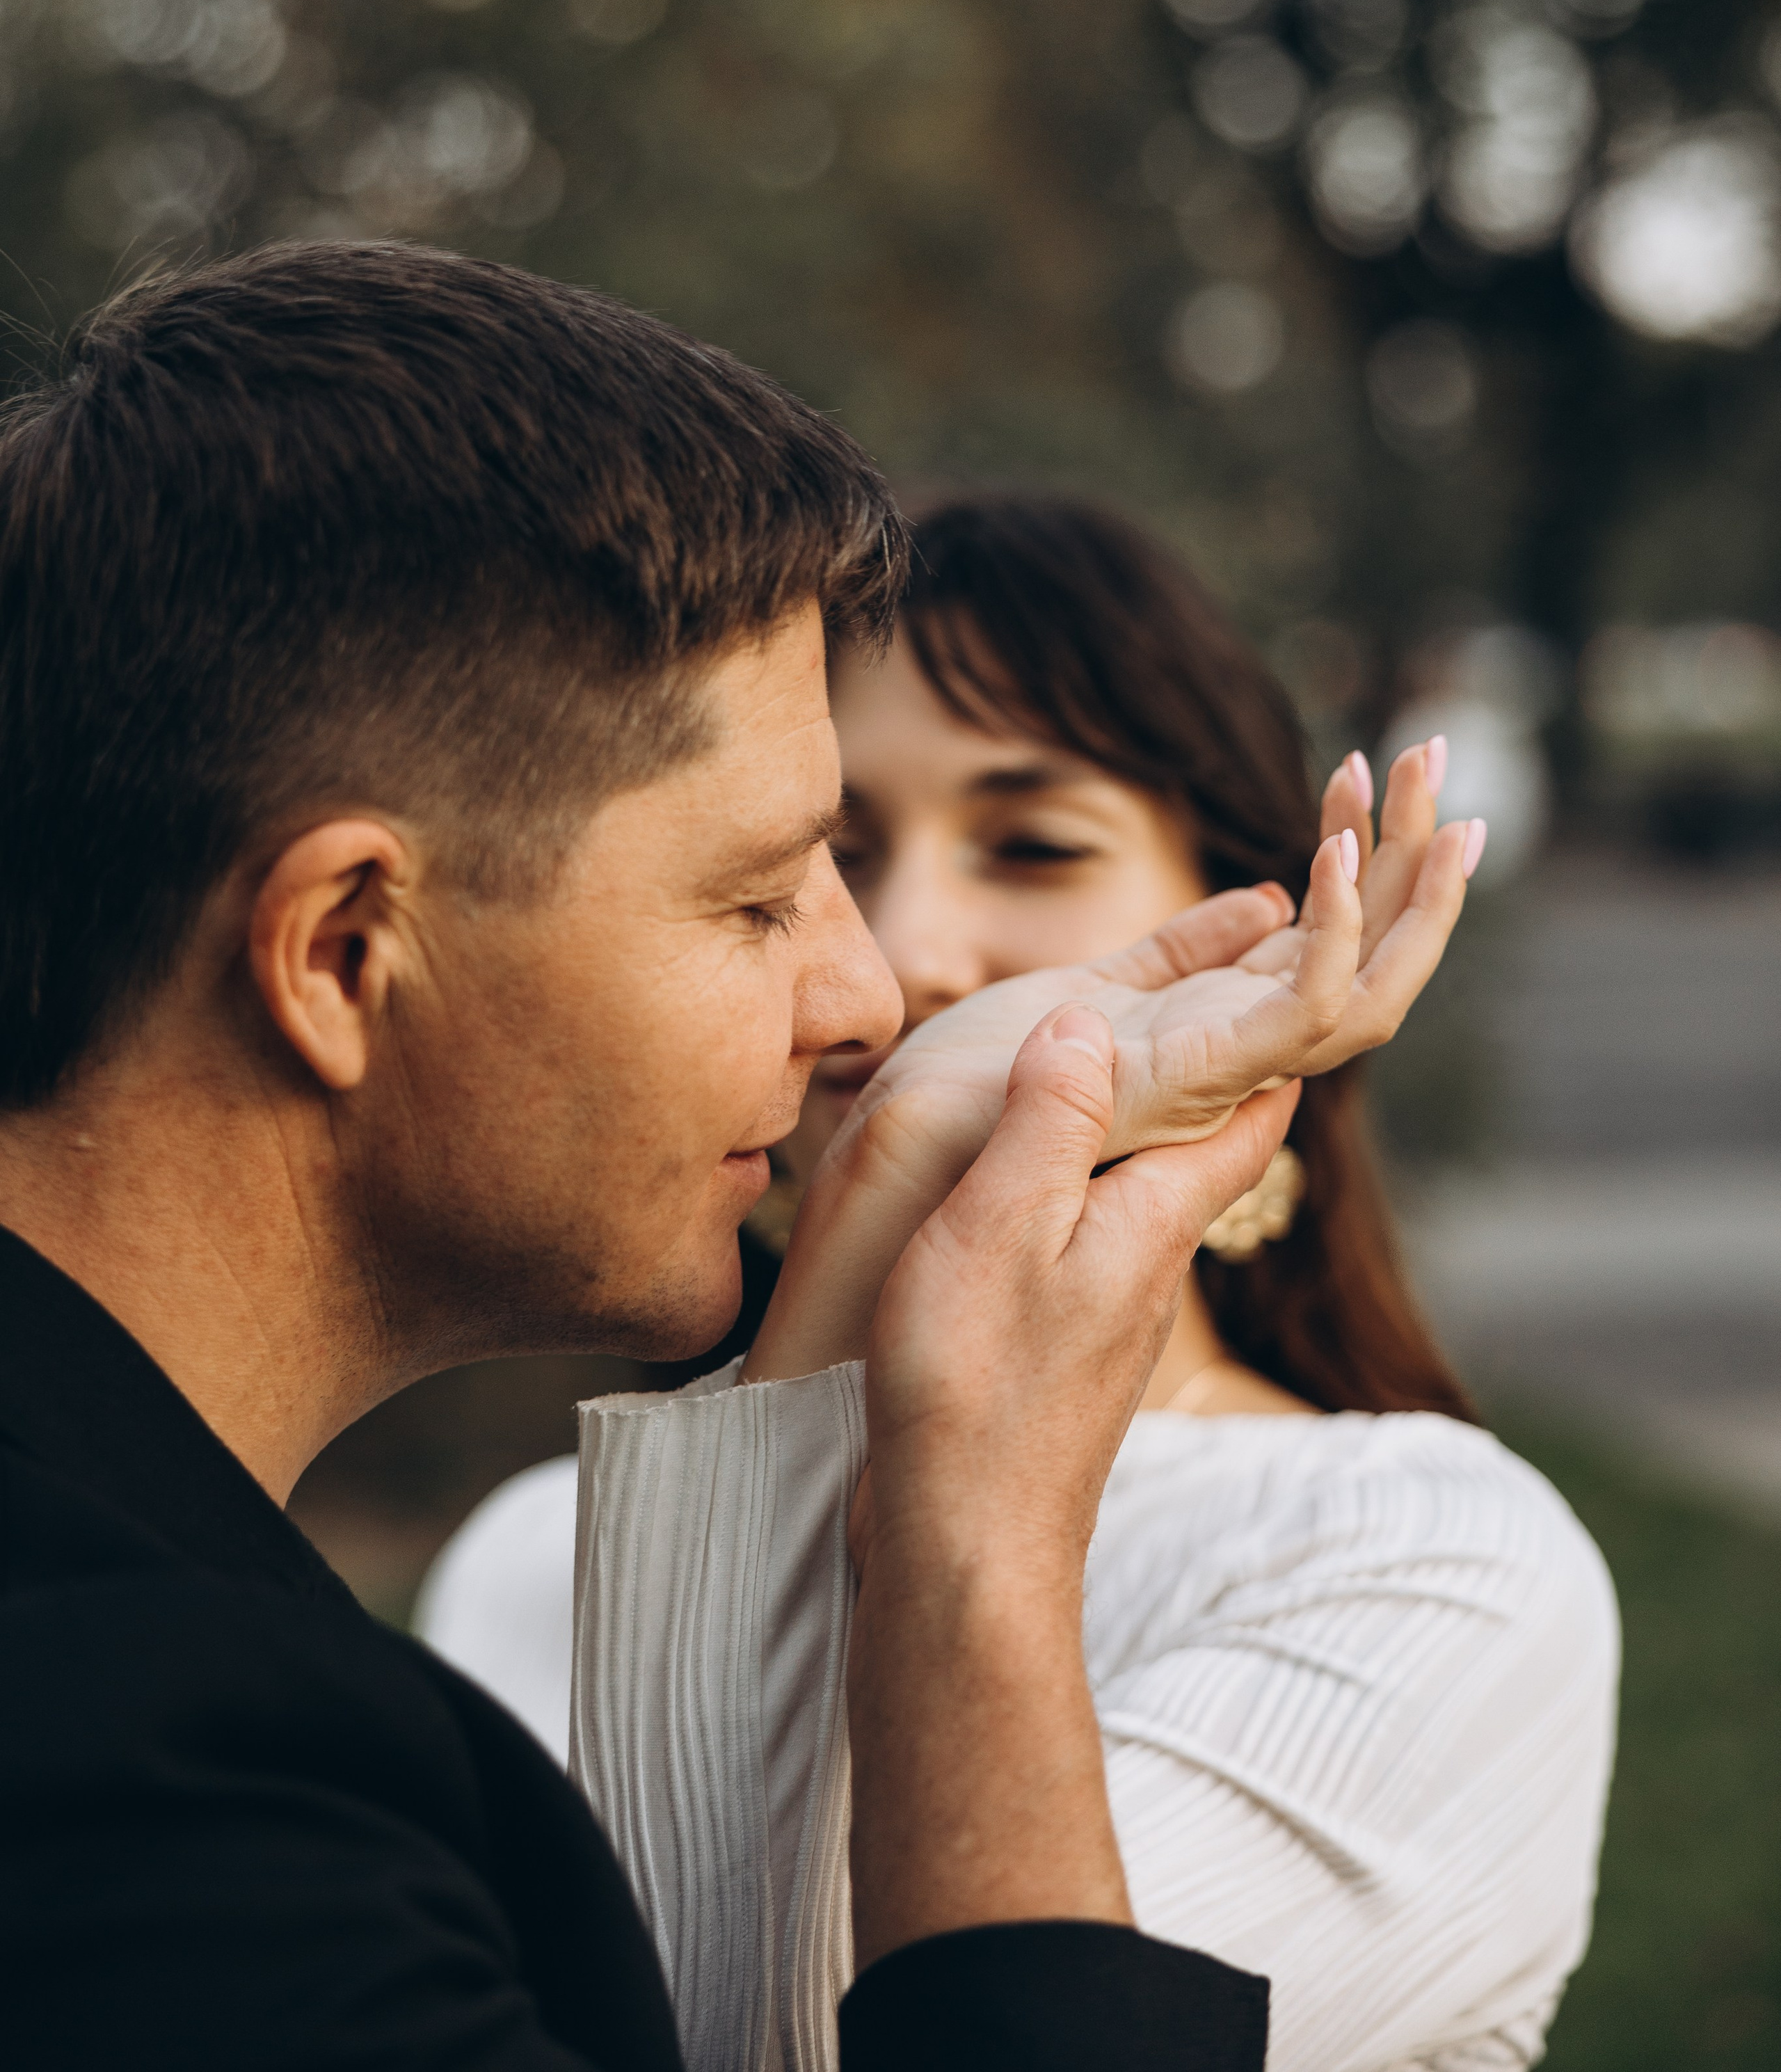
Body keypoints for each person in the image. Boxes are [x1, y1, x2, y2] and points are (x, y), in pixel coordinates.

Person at [0, 251, 1476, 2072]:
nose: (873, 992)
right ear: (341, 955)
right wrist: (978, 1537)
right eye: (768, 889)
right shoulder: (146, 1780)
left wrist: (891, 1211)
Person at [424, 494, 1616, 2072]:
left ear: (1257, 929)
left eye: (1033, 844)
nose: (905, 952)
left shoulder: (1422, 1563)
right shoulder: (530, 1553)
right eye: (822, 858)